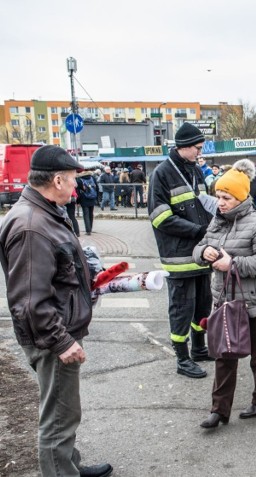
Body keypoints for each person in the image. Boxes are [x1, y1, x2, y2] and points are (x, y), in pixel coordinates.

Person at [0, 145, 113, 477]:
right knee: (58, 416)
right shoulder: (32, 225)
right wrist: (61, 342)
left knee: (64, 409)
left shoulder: (43, 212)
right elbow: (29, 301)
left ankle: (69, 465)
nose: (77, 187)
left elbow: (55, 275)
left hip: (56, 330)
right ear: (58, 180)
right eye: (74, 180)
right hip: (51, 337)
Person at [193, 159, 256, 430]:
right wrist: (204, 254)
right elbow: (199, 248)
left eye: (226, 197)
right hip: (227, 302)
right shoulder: (217, 222)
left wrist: (231, 263)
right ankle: (219, 411)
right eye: (218, 196)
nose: (219, 202)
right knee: (225, 356)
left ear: (240, 197)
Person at [148, 122, 214, 379]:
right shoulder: (162, 173)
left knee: (203, 304)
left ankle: (198, 349)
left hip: (201, 252)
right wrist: (198, 231)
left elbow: (202, 204)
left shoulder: (193, 169)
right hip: (179, 256)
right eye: (197, 148)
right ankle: (182, 358)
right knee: (181, 308)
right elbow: (159, 217)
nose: (200, 152)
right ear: (184, 147)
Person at [76, 169, 99, 235]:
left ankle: (88, 230)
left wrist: (78, 201)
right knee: (91, 214)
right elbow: (96, 188)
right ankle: (90, 228)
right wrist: (96, 198)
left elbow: (78, 192)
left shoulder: (79, 179)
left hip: (84, 199)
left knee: (86, 214)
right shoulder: (92, 178)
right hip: (92, 198)